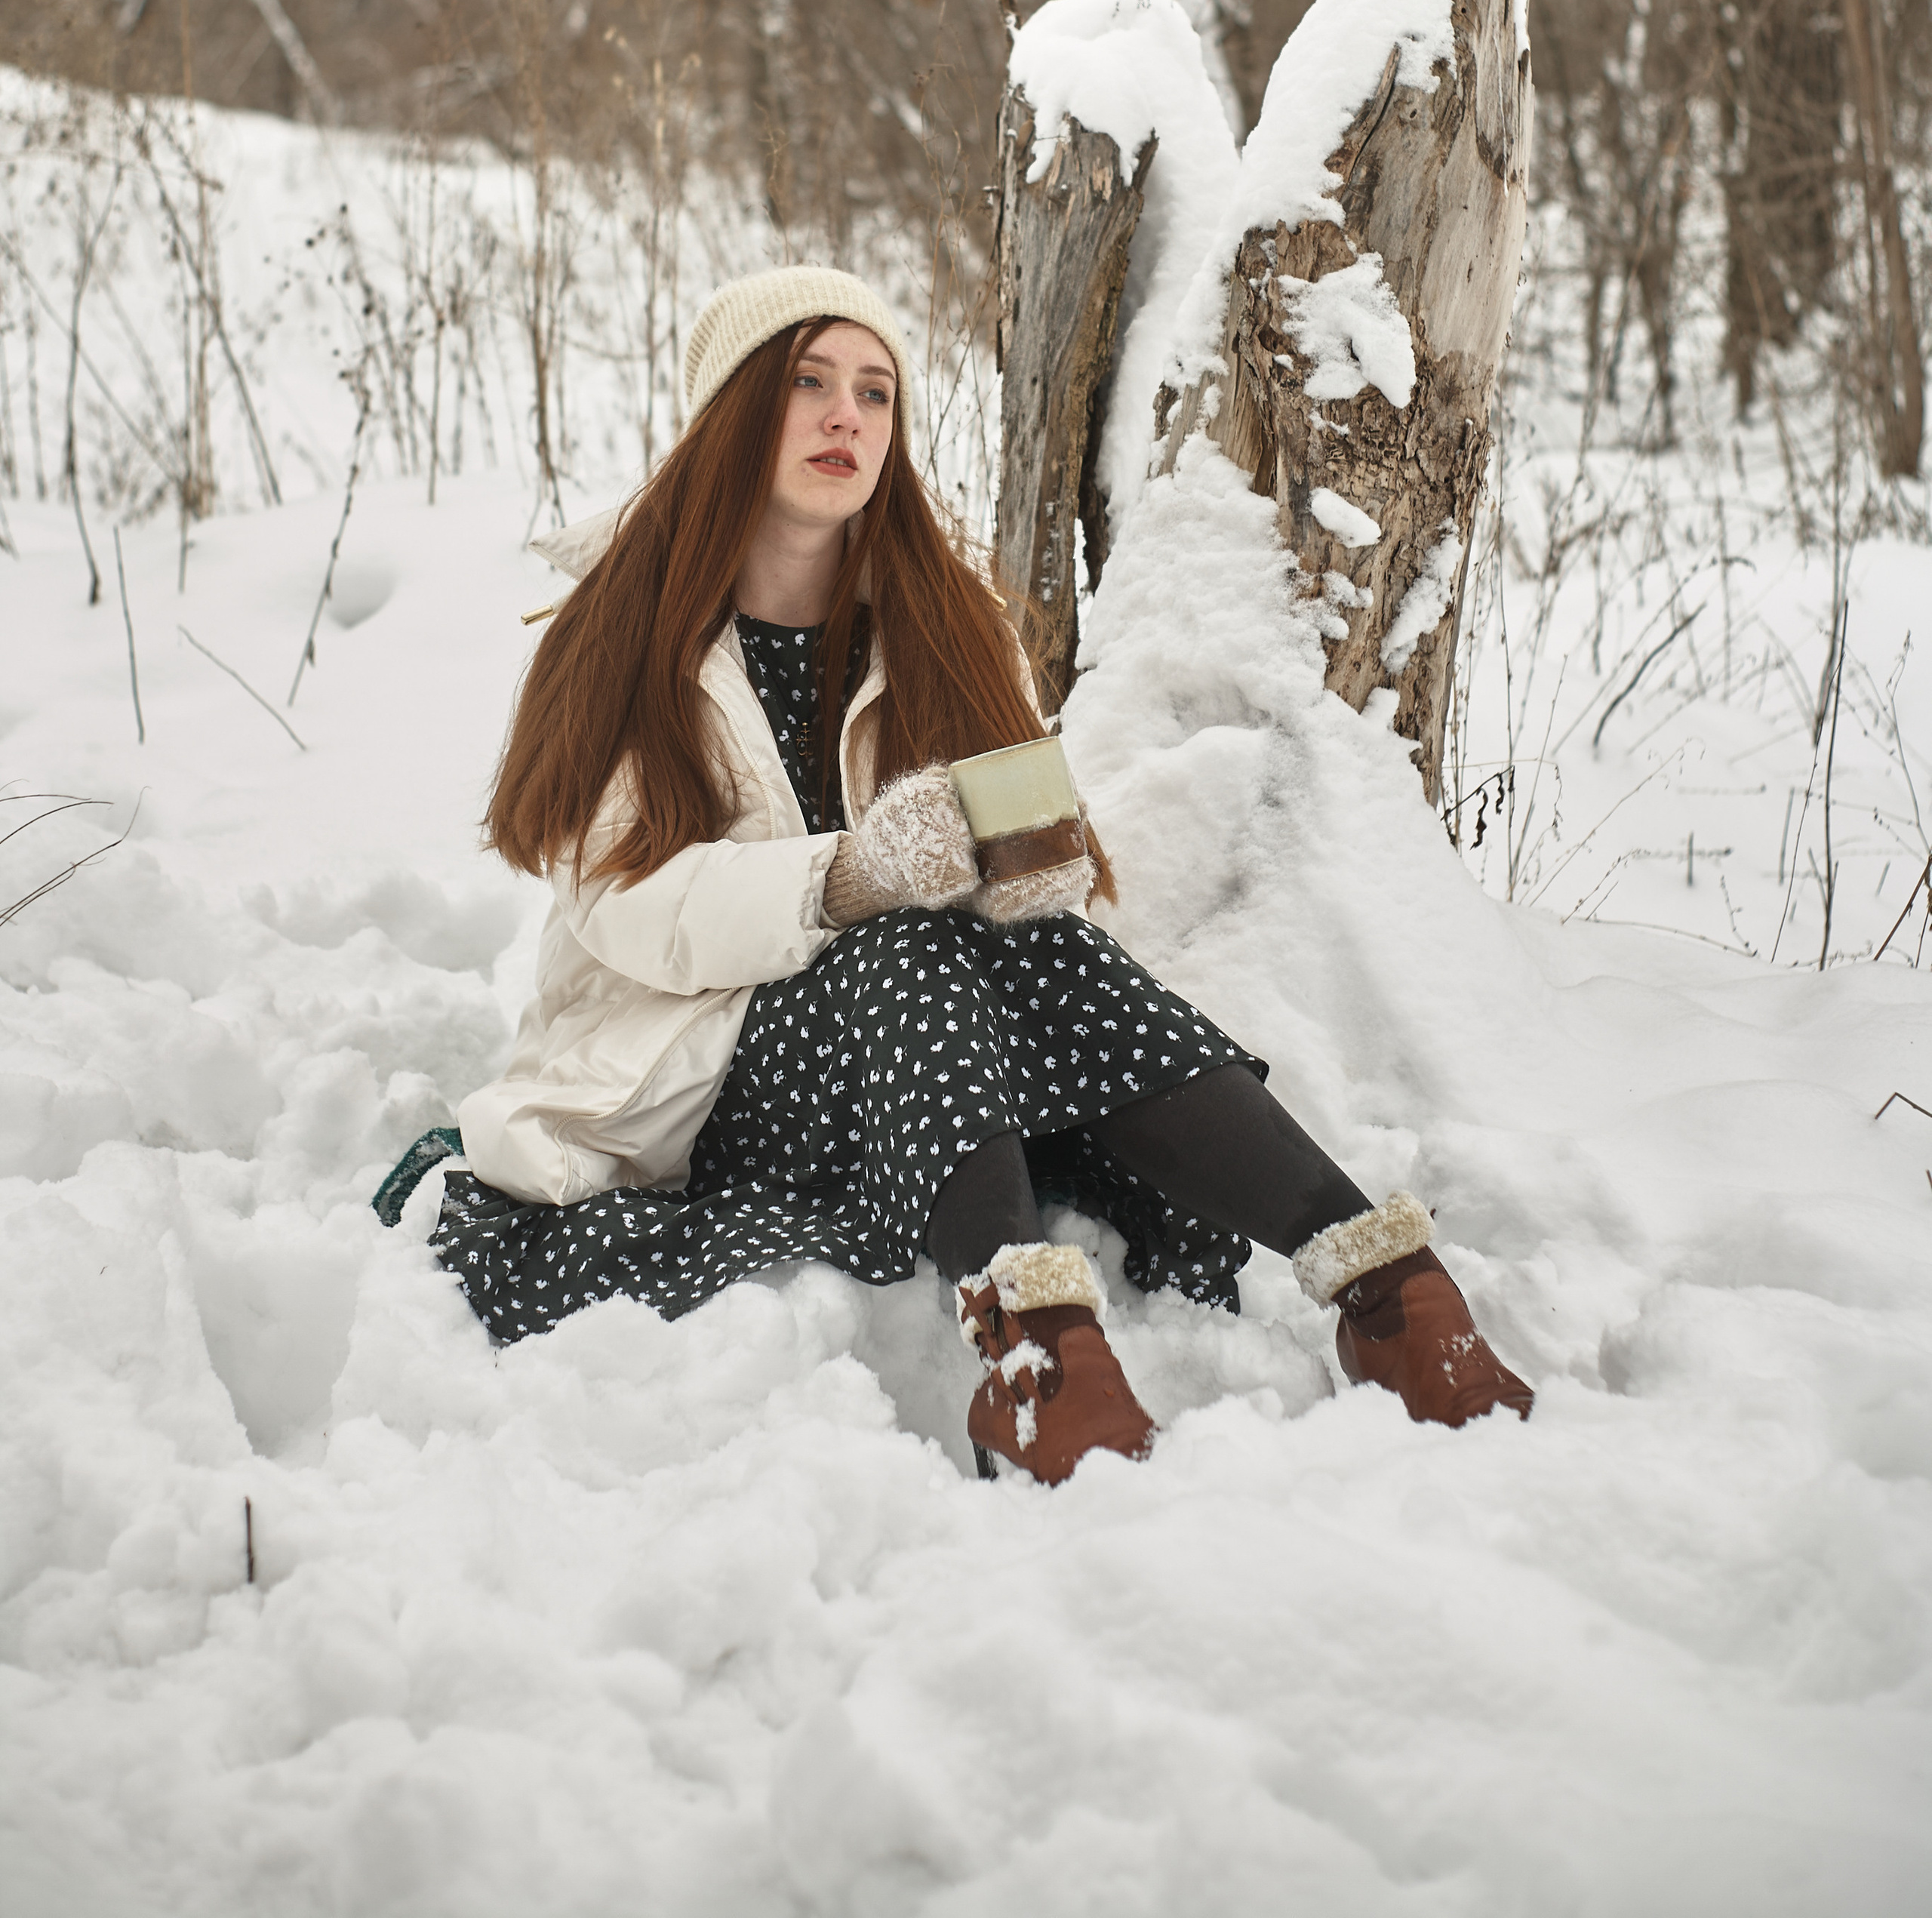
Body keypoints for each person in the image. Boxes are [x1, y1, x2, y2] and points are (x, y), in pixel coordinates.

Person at [409, 264, 1531, 1481]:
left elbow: (1023, 842)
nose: (849, 418)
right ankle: (1035, 1362)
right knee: (898, 940)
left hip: (921, 1071)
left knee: (1014, 941)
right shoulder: (617, 631)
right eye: (809, 383)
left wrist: (1025, 876)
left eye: (878, 394)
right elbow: (629, 910)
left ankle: (1386, 1290)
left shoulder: (940, 618)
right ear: (732, 411)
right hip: (697, 1074)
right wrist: (854, 877)